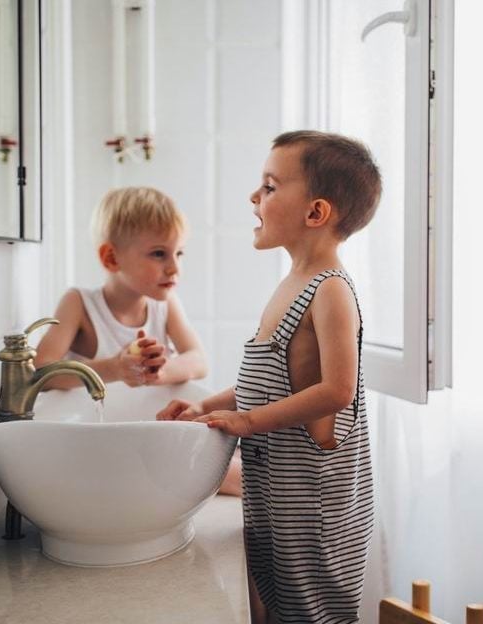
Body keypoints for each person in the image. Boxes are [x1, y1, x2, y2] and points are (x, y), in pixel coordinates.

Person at [157, 131, 380, 623]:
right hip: (277, 498)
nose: (254, 197)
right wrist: (208, 407)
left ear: (316, 213)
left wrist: (250, 422)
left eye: (271, 186)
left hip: (314, 509)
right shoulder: (291, 284)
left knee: (311, 615)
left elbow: (338, 391)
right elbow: (271, 383)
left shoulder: (331, 290)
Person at [33, 187, 206, 389]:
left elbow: (199, 361)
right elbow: (40, 372)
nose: (174, 268)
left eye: (179, 253)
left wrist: (159, 371)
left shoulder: (166, 305)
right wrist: (114, 369)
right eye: (159, 254)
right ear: (112, 258)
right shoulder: (79, 304)